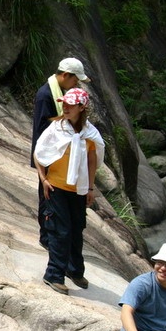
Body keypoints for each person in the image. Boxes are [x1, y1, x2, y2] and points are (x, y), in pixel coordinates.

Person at [33, 87, 104, 295]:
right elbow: (39, 153)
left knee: (76, 229)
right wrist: (43, 179)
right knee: (60, 230)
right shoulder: (56, 128)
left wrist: (90, 187)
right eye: (64, 103)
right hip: (56, 187)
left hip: (79, 189)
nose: (65, 107)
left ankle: (75, 270)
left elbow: (92, 160)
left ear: (81, 107)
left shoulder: (90, 134)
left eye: (70, 104)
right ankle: (54, 274)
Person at [30, 58, 90, 249]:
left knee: (52, 197)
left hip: (58, 156)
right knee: (47, 197)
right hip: (49, 156)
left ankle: (53, 236)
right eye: (75, 80)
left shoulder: (58, 92)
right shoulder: (45, 95)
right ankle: (46, 237)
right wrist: (66, 123)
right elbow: (42, 129)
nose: (75, 84)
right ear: (65, 75)